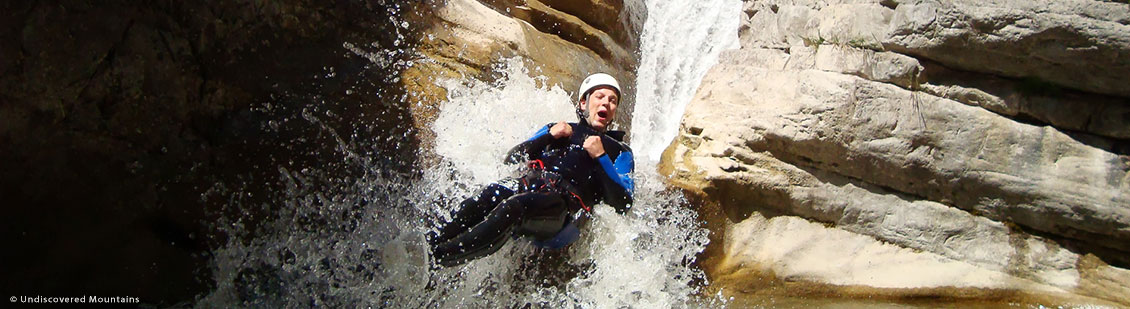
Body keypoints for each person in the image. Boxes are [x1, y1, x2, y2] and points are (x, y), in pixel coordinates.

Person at [428, 73, 635, 267]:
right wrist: (549, 137)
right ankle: (429, 248)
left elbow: (623, 203)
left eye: (612, 100)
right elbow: (512, 159)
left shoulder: (619, 151)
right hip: (528, 184)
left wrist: (601, 157)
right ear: (584, 102)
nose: (606, 102)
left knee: (515, 208)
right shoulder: (557, 127)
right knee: (489, 194)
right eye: (600, 96)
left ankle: (439, 259)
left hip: (562, 205)